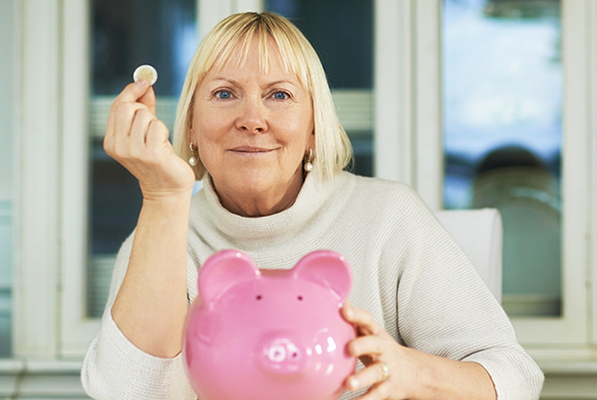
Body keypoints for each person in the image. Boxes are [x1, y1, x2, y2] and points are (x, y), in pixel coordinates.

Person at [81, 11, 543, 400]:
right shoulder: (161, 234)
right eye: (224, 94)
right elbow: (124, 392)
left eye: (279, 95)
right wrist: (163, 197)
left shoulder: (387, 217)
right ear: (193, 126)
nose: (252, 119)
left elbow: (516, 376)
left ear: (314, 128)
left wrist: (409, 370)